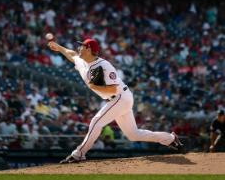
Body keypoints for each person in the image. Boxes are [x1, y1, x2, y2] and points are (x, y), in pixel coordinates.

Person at [47, 38, 183, 164]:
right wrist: (58, 47)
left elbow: (112, 89)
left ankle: (79, 154)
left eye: (81, 46)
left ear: (88, 49)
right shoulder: (83, 61)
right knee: (133, 135)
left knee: (96, 122)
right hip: (116, 100)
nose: (78, 48)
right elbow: (71, 54)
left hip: (120, 97)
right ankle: (170, 139)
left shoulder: (104, 65)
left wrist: (94, 86)